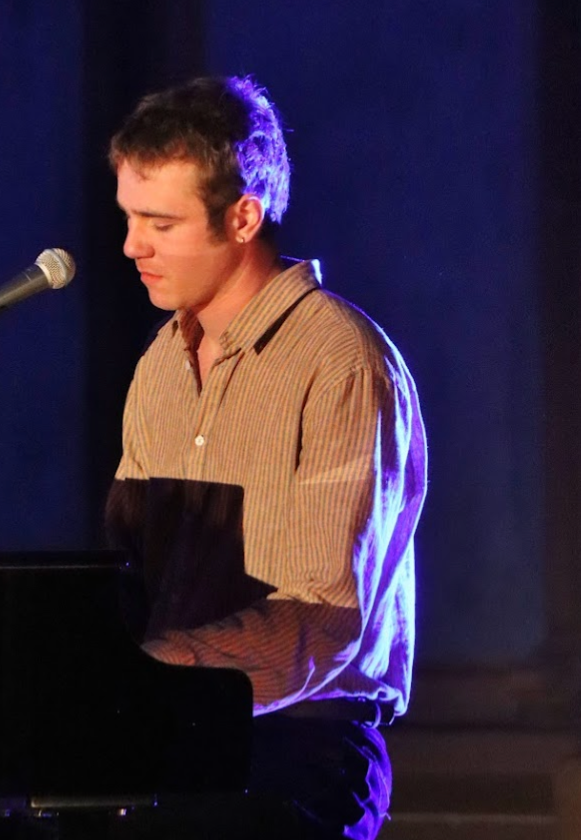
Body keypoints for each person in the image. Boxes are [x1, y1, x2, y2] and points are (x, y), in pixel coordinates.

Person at [104, 75, 427, 839]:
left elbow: (324, 617)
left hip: (303, 748)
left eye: (160, 223)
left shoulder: (341, 361)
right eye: (128, 217)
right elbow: (128, 574)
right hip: (180, 734)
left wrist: (146, 672)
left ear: (243, 217)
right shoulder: (159, 365)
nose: (131, 246)